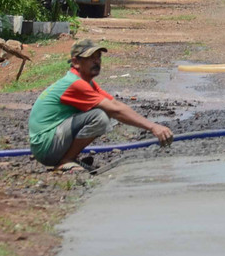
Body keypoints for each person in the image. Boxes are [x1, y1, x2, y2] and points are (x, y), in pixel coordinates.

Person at [28, 40, 174, 171]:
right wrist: (153, 127)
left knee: (103, 111)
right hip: (45, 146)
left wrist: (152, 125)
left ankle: (67, 158)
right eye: (91, 58)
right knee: (100, 116)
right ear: (76, 62)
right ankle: (66, 160)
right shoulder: (75, 84)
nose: (96, 61)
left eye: (98, 57)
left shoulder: (86, 82)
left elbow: (114, 103)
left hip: (50, 141)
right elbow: (115, 110)